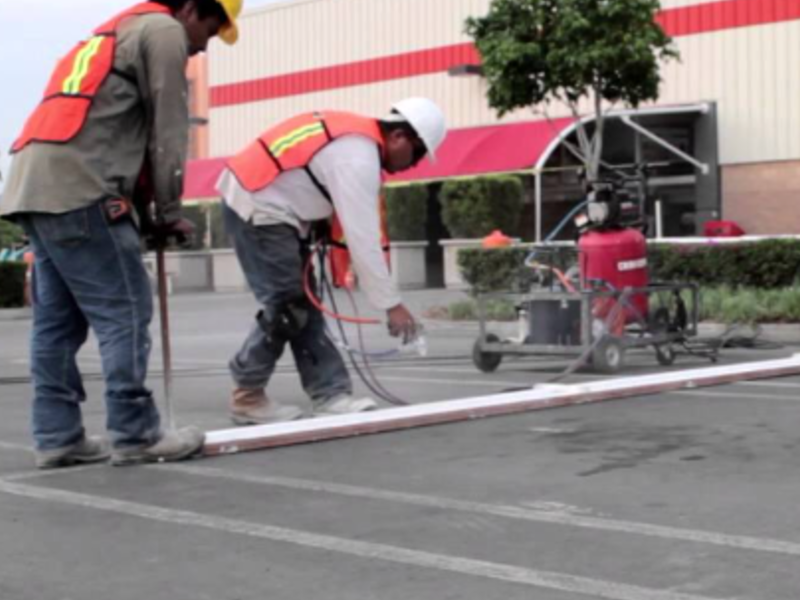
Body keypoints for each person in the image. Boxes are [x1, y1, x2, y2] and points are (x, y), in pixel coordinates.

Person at [0, 0, 242, 469]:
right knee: (125, 311)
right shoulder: (163, 31)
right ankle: (136, 433)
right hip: (82, 188)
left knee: (56, 326)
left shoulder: (109, 34)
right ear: (190, 8)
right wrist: (169, 210)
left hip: (33, 185)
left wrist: (147, 211)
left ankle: (57, 436)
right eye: (207, 34)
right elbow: (169, 129)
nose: (200, 49)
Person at [217, 98, 447, 424]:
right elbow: (363, 239)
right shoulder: (358, 157)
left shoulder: (356, 142)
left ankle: (330, 394)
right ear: (398, 136)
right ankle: (248, 394)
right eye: (419, 153)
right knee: (287, 304)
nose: (415, 164)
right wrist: (391, 304)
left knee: (304, 305)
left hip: (273, 208)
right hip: (257, 205)